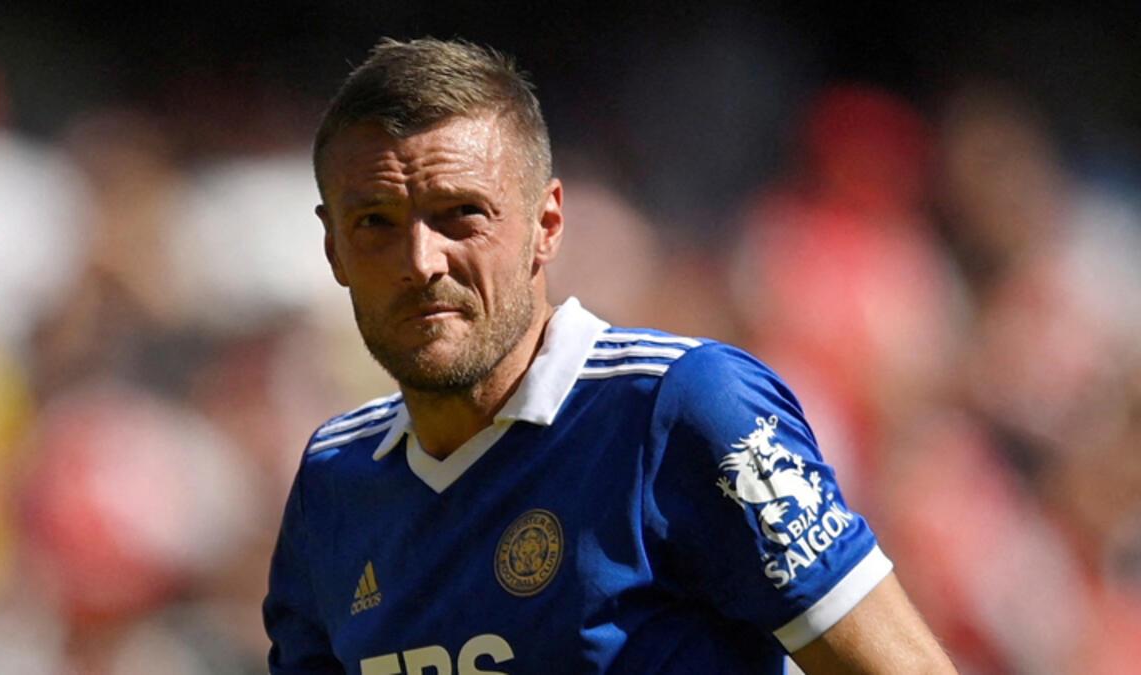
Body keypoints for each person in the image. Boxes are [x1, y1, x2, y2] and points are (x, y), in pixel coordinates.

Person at [263, 37, 957, 674]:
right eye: (375, 222)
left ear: (546, 225)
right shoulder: (333, 482)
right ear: (333, 250)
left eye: (461, 215)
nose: (421, 261)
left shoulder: (682, 408)